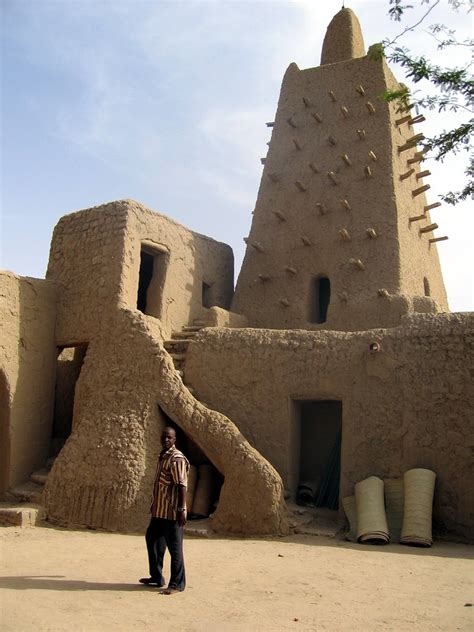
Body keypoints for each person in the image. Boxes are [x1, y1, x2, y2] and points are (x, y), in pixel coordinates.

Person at [139, 425, 189, 594]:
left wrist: (182, 509)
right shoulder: (162, 456)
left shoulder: (176, 458)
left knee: (175, 548)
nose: (166, 440)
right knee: (152, 539)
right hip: (159, 511)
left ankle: (176, 584)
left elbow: (182, 485)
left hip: (172, 511)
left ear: (175, 440)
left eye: (169, 437)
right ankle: (156, 577)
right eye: (164, 437)